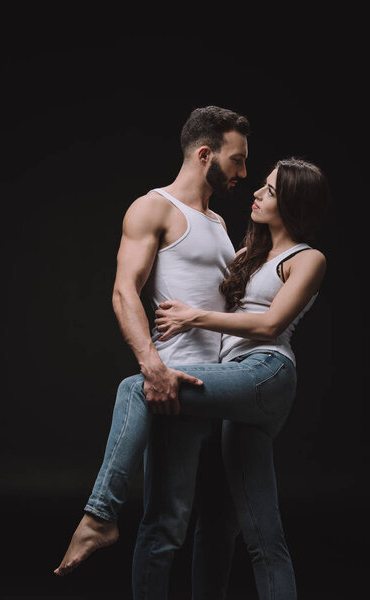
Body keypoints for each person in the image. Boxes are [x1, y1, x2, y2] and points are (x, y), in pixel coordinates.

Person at [55, 152, 330, 599]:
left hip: (266, 373)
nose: (256, 192)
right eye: (261, 183)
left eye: (271, 190)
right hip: (236, 388)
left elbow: (268, 325)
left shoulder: (308, 259)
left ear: (294, 203)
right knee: (248, 532)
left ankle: (100, 514)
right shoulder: (246, 254)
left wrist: (192, 318)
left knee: (137, 386)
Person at [55, 105, 251, 598]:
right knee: (166, 527)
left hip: (224, 390)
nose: (243, 173)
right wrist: (153, 368)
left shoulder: (219, 222)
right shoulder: (154, 207)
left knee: (221, 528)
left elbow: (220, 300)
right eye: (237, 160)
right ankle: (99, 518)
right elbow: (125, 290)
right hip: (178, 385)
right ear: (205, 154)